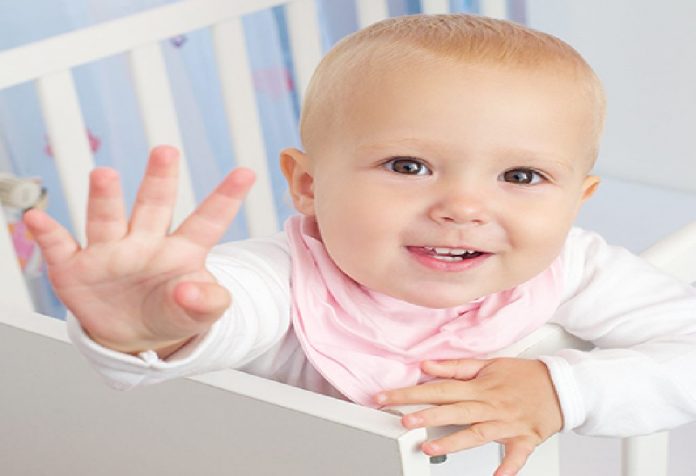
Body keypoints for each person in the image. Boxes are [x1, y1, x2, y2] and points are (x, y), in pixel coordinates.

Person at [24, 14, 696, 476]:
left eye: (521, 176)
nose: (463, 207)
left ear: (578, 199)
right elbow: (227, 306)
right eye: (408, 165)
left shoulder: (575, 266)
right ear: (309, 185)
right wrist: (158, 327)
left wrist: (564, 389)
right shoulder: (282, 275)